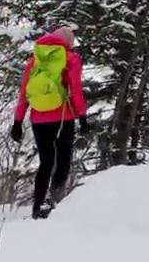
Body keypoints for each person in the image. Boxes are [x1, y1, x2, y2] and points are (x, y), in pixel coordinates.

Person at [10, 25, 90, 219]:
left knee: (46, 163)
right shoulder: (70, 59)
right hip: (64, 117)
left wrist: (18, 122)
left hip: (38, 118)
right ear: (68, 43)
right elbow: (76, 90)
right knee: (63, 161)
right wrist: (82, 117)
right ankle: (52, 202)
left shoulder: (35, 60)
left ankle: (36, 208)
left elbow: (24, 93)